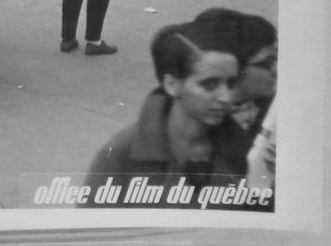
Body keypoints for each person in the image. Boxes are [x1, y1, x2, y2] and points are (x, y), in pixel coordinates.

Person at [82, 16, 253, 206]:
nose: (225, 97)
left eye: (231, 83)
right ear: (171, 84)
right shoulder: (121, 153)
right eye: (210, 85)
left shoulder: (247, 151)